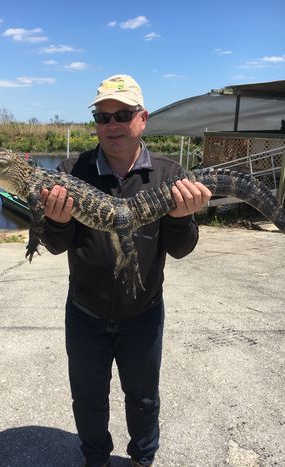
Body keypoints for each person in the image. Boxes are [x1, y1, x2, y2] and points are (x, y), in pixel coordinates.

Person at [40, 75, 211, 467]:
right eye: (102, 117)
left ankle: (142, 459)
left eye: (122, 115)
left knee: (144, 398)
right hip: (85, 312)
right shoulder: (70, 170)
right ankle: (96, 459)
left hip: (143, 313)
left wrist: (183, 219)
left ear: (143, 118)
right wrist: (58, 221)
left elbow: (181, 249)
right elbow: (54, 245)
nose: (112, 125)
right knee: (86, 398)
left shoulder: (170, 174)